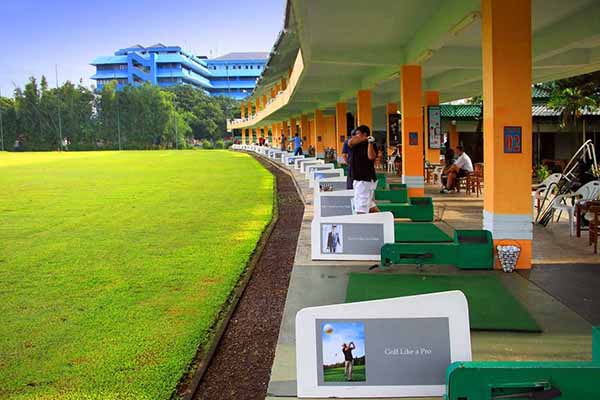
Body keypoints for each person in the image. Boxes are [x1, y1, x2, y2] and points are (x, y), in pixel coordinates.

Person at [349, 125, 379, 214]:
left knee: (361, 208)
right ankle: (384, 224)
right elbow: (350, 142)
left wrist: (370, 142)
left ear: (364, 134)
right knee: (371, 207)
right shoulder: (355, 144)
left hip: (364, 179)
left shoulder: (371, 144)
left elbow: (371, 156)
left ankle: (360, 225)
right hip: (358, 179)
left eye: (358, 133)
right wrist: (365, 139)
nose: (355, 136)